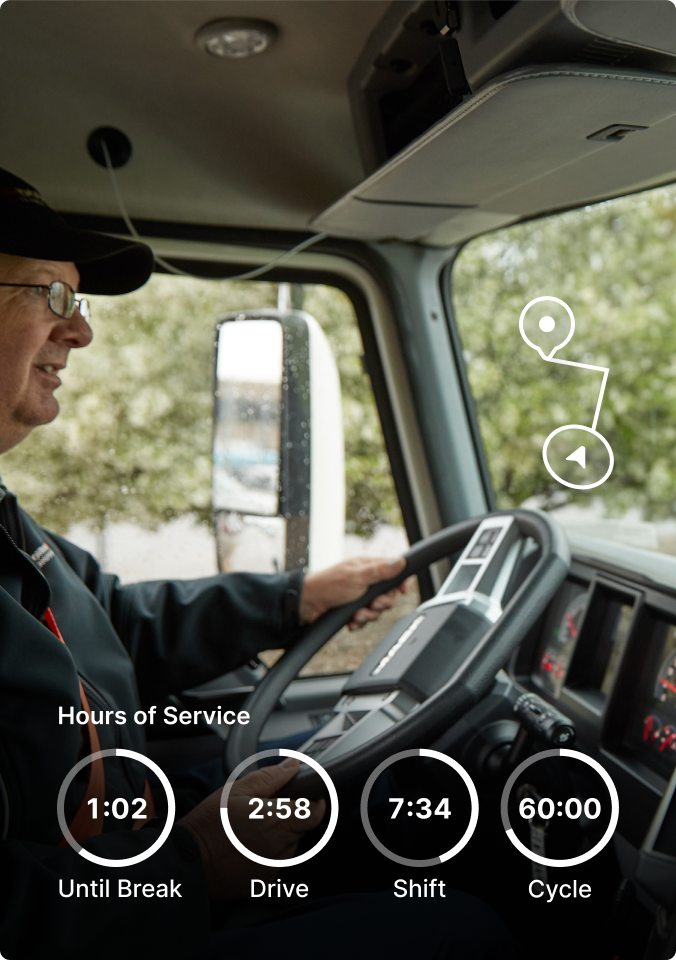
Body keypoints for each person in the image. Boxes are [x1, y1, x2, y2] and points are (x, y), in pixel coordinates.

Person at [0, 169, 522, 959]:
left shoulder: (3, 520)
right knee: (468, 929)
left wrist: (294, 598)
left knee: (373, 792)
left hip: (132, 858)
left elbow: (118, 625)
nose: (81, 334)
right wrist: (196, 865)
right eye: (56, 298)